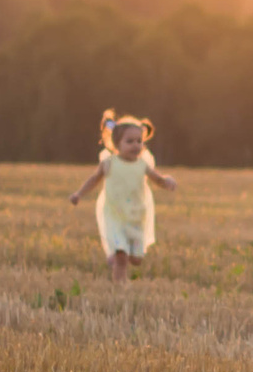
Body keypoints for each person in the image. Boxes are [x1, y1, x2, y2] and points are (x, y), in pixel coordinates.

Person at [66, 110, 178, 282]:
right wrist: (79, 194)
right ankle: (119, 283)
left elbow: (158, 179)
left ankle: (118, 254)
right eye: (130, 141)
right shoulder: (109, 163)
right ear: (117, 144)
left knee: (137, 259)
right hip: (115, 215)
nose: (136, 145)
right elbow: (94, 180)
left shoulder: (142, 165)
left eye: (139, 141)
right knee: (122, 257)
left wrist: (167, 182)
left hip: (136, 216)